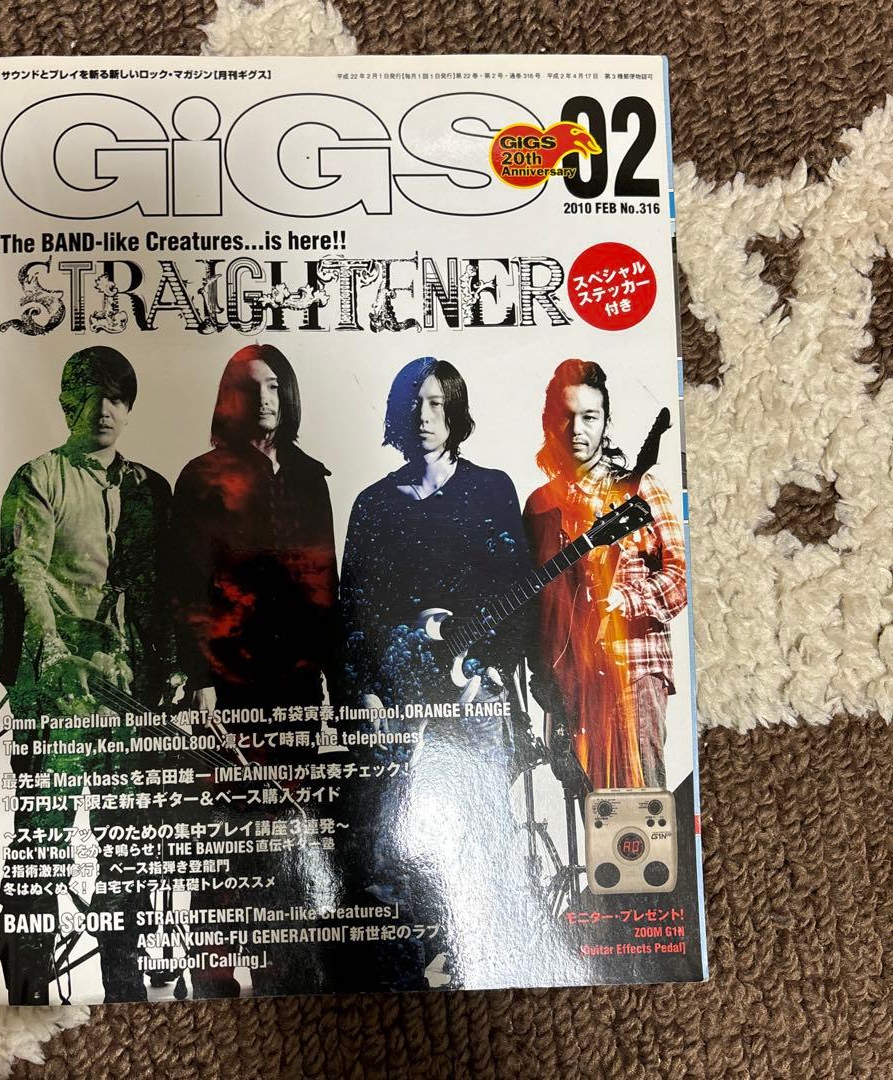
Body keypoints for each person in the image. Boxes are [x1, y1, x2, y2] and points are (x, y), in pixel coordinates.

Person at [338, 356, 534, 991]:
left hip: (472, 697)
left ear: (455, 411)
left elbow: (517, 596)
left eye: (437, 403)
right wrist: (364, 692)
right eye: (414, 404)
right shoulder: (373, 505)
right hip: (398, 701)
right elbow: (355, 610)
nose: (424, 417)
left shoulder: (492, 490)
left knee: (481, 835)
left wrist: (491, 670)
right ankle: (407, 980)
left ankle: (479, 967)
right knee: (392, 853)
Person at [0, 345, 178, 1004]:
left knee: (127, 843)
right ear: (67, 401)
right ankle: (25, 991)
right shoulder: (40, 477)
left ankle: (127, 990)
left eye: (117, 397)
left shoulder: (149, 488)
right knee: (42, 841)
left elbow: (161, 587)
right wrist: (48, 650)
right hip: (59, 693)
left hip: (128, 693)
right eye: (91, 395)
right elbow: (25, 569)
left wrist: (171, 667)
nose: (104, 410)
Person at [169, 343, 340, 997]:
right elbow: (186, 584)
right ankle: (213, 975)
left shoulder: (310, 477)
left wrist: (331, 684)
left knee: (291, 830)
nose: (264, 399)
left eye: (274, 387)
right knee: (229, 831)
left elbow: (325, 585)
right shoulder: (201, 476)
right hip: (230, 679)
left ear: (287, 396)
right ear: (231, 398)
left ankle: (281, 973)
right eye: (251, 387)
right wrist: (200, 679)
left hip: (297, 681)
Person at [523, 359, 687, 792]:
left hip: (632, 668)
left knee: (640, 807)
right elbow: (538, 606)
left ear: (605, 421)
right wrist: (543, 677)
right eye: (567, 416)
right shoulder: (539, 506)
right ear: (549, 422)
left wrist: (625, 600)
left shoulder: (639, 488)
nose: (577, 429)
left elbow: (680, 578)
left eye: (589, 417)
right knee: (591, 809)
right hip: (570, 684)